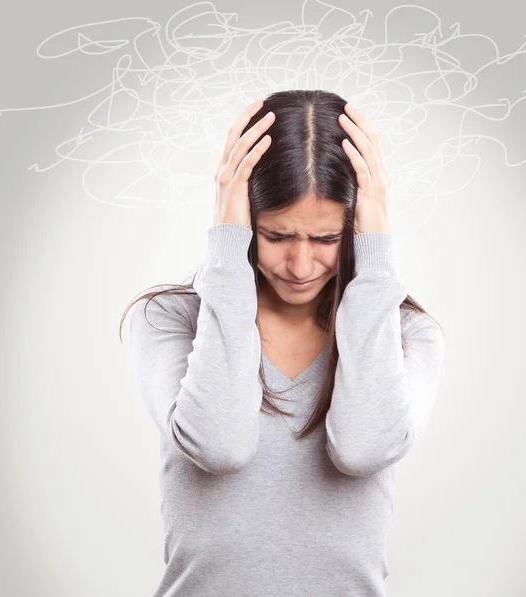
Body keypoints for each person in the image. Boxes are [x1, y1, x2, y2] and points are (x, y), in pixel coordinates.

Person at [119, 90, 446, 597]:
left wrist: (377, 256)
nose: (299, 267)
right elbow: (217, 443)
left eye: (326, 240)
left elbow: (365, 448)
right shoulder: (169, 319)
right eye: (276, 235)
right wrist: (226, 246)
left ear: (357, 229)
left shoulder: (404, 334)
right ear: (245, 220)